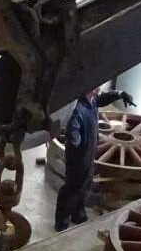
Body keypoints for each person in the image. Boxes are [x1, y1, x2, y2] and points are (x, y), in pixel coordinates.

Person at [55, 86, 135, 231]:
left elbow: (104, 98)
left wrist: (121, 94)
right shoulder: (77, 109)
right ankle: (62, 221)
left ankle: (77, 213)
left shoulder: (92, 101)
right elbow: (73, 130)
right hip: (78, 157)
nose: (100, 87)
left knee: (86, 183)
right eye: (97, 85)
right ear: (89, 87)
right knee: (72, 188)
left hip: (89, 153)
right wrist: (74, 139)